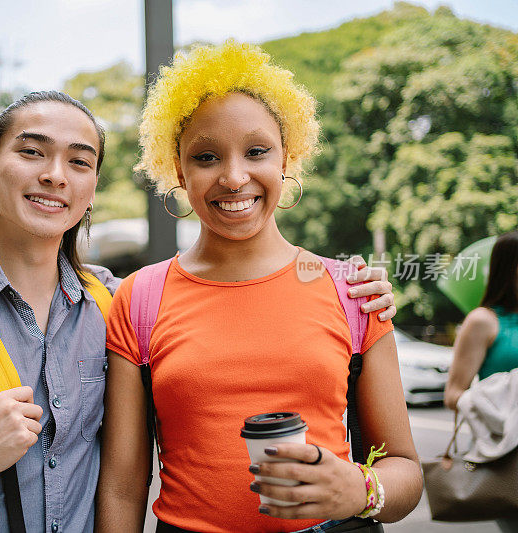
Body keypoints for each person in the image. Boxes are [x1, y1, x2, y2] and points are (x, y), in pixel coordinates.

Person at [0, 90, 395, 531]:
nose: (55, 176)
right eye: (32, 153)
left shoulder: (114, 302)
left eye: (79, 162)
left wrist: (351, 286)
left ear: (92, 188)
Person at [97, 41, 422, 533]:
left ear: (286, 158)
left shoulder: (352, 291)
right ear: (179, 171)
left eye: (256, 151)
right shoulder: (140, 298)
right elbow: (123, 485)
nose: (233, 176)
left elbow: (406, 471)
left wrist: (359, 489)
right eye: (206, 157)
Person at [444, 231, 518, 533]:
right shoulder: (484, 321)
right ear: (509, 268)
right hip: (509, 451)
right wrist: (508, 391)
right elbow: (453, 393)